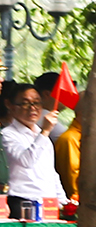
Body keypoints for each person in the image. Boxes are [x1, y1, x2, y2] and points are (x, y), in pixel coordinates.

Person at [3, 78, 68, 219]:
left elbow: (51, 173)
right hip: (24, 200)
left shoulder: (41, 135)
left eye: (36, 103)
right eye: (25, 103)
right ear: (10, 105)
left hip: (49, 202)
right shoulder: (7, 134)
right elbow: (26, 161)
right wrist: (44, 132)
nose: (33, 108)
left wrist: (63, 201)